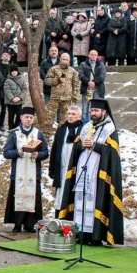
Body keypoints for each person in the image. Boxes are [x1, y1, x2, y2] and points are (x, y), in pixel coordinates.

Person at [57, 98, 124, 246]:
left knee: (96, 201)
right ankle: (81, 234)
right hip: (83, 171)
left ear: (104, 112)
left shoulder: (109, 129)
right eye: (92, 111)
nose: (93, 113)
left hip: (99, 175)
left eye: (96, 111)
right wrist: (82, 145)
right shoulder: (86, 127)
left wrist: (95, 145)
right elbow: (76, 147)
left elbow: (112, 153)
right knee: (80, 200)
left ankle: (96, 236)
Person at [3, 106, 49, 233]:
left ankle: (30, 224)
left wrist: (38, 155)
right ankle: (17, 224)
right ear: (21, 118)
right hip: (18, 172)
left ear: (33, 119)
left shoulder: (38, 134)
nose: (28, 120)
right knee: (18, 196)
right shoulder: (15, 133)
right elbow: (6, 152)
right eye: (26, 117)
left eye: (31, 117)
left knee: (32, 196)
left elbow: (45, 152)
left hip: (33, 173)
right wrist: (18, 152)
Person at [44, 52, 80, 125]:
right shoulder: (53, 69)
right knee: (48, 117)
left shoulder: (73, 71)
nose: (65, 61)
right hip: (55, 98)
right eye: (63, 59)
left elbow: (76, 85)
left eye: (66, 60)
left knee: (64, 120)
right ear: (60, 59)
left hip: (67, 99)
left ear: (69, 60)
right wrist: (57, 80)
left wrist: (74, 97)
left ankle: (61, 134)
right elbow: (47, 81)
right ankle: (47, 135)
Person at [77, 49, 106, 120]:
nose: (93, 56)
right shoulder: (83, 64)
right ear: (88, 55)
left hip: (97, 90)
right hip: (88, 90)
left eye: (95, 55)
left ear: (97, 56)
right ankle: (84, 124)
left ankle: (96, 123)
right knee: (85, 108)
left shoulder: (101, 65)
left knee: (96, 107)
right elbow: (81, 75)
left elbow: (102, 76)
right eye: (92, 54)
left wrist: (94, 82)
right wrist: (88, 82)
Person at [3, 64, 29, 129]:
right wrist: (12, 98)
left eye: (15, 71)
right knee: (11, 116)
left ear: (17, 72)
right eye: (12, 71)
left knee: (19, 116)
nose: (14, 72)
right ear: (10, 72)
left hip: (19, 102)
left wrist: (19, 97)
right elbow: (7, 90)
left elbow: (24, 89)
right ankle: (11, 128)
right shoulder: (7, 81)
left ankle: (17, 127)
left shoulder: (22, 80)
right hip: (10, 102)